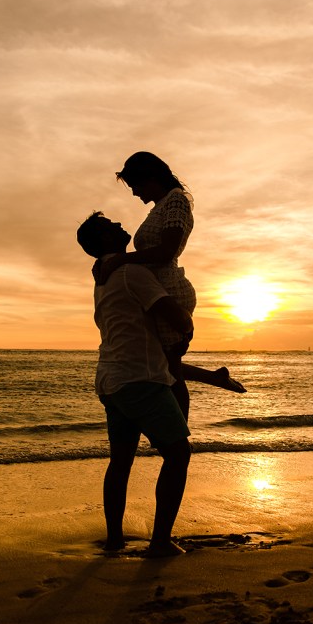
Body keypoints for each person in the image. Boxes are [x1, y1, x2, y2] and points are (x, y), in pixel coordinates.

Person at [94, 151, 245, 420]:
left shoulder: (175, 202)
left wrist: (119, 259)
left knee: (171, 370)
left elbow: (166, 251)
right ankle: (213, 380)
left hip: (169, 290)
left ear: (151, 177)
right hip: (157, 288)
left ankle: (179, 439)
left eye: (136, 185)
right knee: (164, 362)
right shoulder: (162, 205)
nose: (134, 193)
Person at [77, 211, 193, 557]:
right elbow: (177, 318)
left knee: (121, 460)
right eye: (110, 225)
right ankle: (159, 542)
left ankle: (114, 540)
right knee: (178, 454)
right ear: (103, 240)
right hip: (140, 378)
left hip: (111, 380)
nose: (118, 225)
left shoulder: (102, 279)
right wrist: (184, 328)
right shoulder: (132, 273)